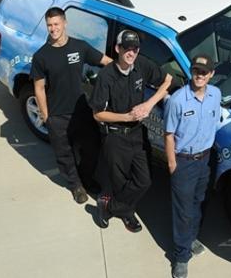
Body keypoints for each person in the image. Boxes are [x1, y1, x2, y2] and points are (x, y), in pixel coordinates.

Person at [90, 29, 172, 232]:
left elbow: (168, 79)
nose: (131, 53)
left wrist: (149, 104)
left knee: (144, 181)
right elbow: (98, 114)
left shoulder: (142, 64)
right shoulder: (106, 76)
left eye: (135, 49)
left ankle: (108, 206)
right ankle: (127, 213)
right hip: (115, 137)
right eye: (127, 48)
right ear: (118, 49)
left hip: (137, 133)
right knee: (120, 183)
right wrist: (126, 117)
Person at [31, 7, 112, 204]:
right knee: (64, 155)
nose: (53, 29)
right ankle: (76, 186)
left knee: (92, 147)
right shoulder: (42, 56)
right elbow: (39, 88)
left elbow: (105, 61)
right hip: (57, 116)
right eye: (49, 25)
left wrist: (123, 71)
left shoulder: (79, 47)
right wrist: (46, 116)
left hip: (81, 111)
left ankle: (86, 178)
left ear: (65, 23)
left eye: (56, 24)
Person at [164, 55, 221, 278]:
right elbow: (169, 135)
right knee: (183, 212)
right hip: (184, 162)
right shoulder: (178, 100)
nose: (199, 75)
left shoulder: (215, 94)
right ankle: (180, 256)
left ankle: (192, 238)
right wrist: (172, 165)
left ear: (211, 74)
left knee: (199, 203)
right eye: (196, 71)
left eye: (204, 72)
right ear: (191, 72)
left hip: (205, 159)